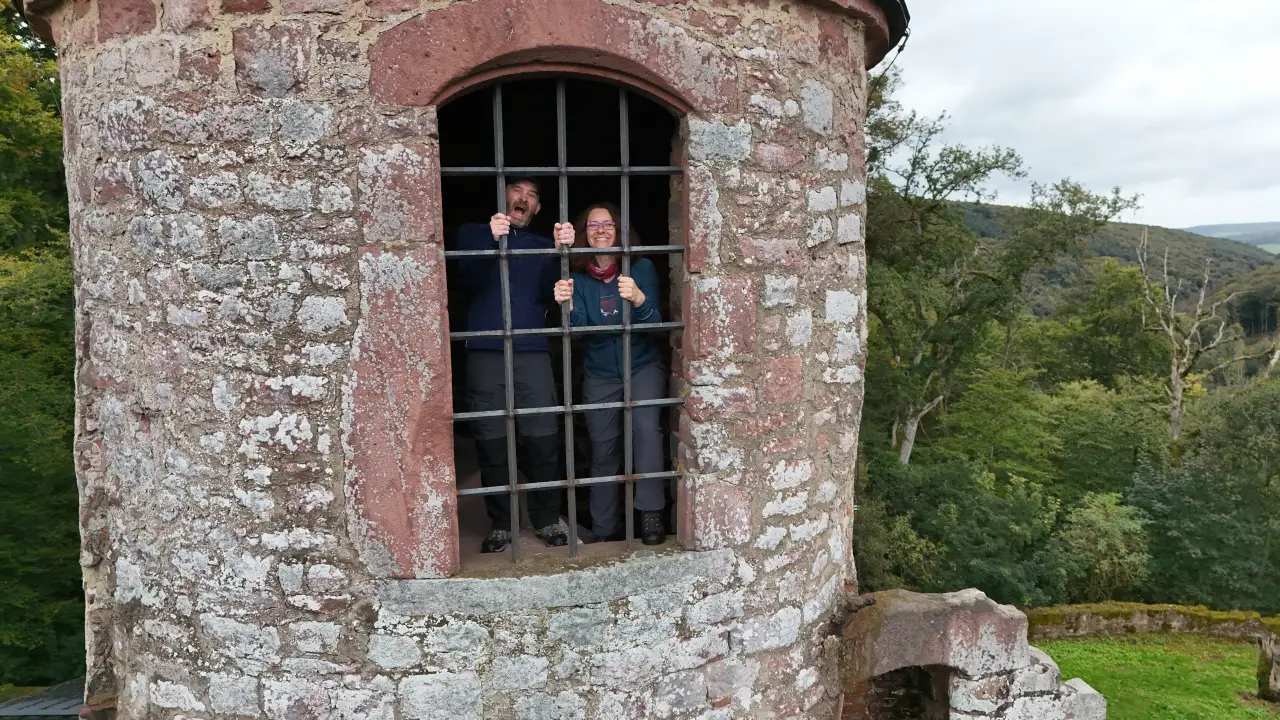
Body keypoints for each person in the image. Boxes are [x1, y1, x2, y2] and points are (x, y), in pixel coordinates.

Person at [455, 178, 575, 553]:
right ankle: (502, 523)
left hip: (532, 351)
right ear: (503, 196)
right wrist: (491, 239)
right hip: (485, 351)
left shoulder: (541, 246)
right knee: (491, 439)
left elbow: (549, 295)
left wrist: (562, 252)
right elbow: (466, 283)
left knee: (543, 438)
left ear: (538, 209)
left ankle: (546, 518)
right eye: (517, 190)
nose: (523, 199)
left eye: (532, 196)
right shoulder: (471, 234)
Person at [551, 202, 668, 545]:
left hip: (643, 364)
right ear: (584, 234)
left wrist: (639, 298)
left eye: (608, 225)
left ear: (619, 230)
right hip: (600, 373)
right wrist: (569, 308)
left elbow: (655, 324)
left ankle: (650, 515)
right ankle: (604, 528)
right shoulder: (579, 278)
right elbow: (583, 333)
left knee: (647, 432)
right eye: (592, 226)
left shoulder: (641, 267)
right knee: (603, 450)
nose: (600, 230)